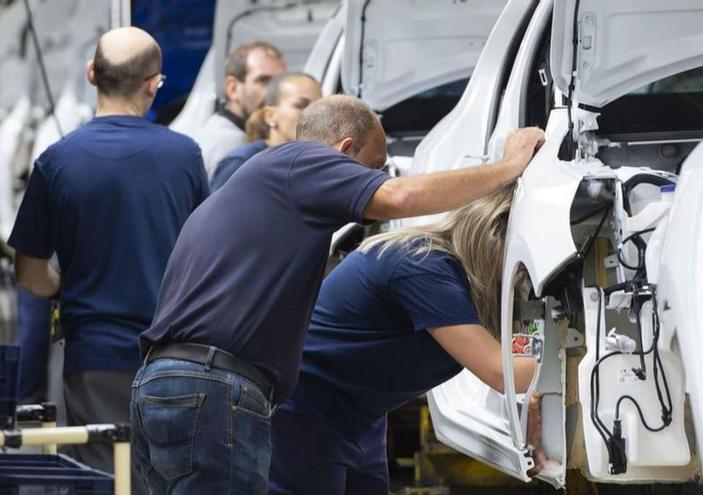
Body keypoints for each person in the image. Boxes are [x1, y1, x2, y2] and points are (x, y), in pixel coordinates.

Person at [131, 95, 544, 493]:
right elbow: (400, 198)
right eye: (375, 168)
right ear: (344, 151)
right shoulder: (301, 162)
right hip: (216, 386)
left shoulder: (272, 189)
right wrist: (508, 168)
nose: (378, 181)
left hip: (176, 383)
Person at [8, 27, 208, 492]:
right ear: (154, 83)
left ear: (91, 73)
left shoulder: (56, 162)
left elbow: (29, 273)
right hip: (174, 357)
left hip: (94, 360)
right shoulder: (185, 156)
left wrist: (60, 283)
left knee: (103, 480)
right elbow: (207, 253)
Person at [268, 183, 538, 494]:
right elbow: (500, 371)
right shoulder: (425, 266)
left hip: (359, 416)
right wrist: (570, 371)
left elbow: (520, 354)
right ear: (494, 232)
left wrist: (534, 397)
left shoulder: (465, 287)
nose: (524, 274)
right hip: (305, 410)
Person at [210, 72, 322, 192]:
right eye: (300, 105)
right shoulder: (241, 162)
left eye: (319, 106)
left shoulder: (321, 163)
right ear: (270, 116)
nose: (314, 113)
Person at [193, 41, 286, 179]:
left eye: (280, 81)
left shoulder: (245, 141)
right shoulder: (227, 149)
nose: (275, 91)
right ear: (233, 88)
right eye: (263, 80)